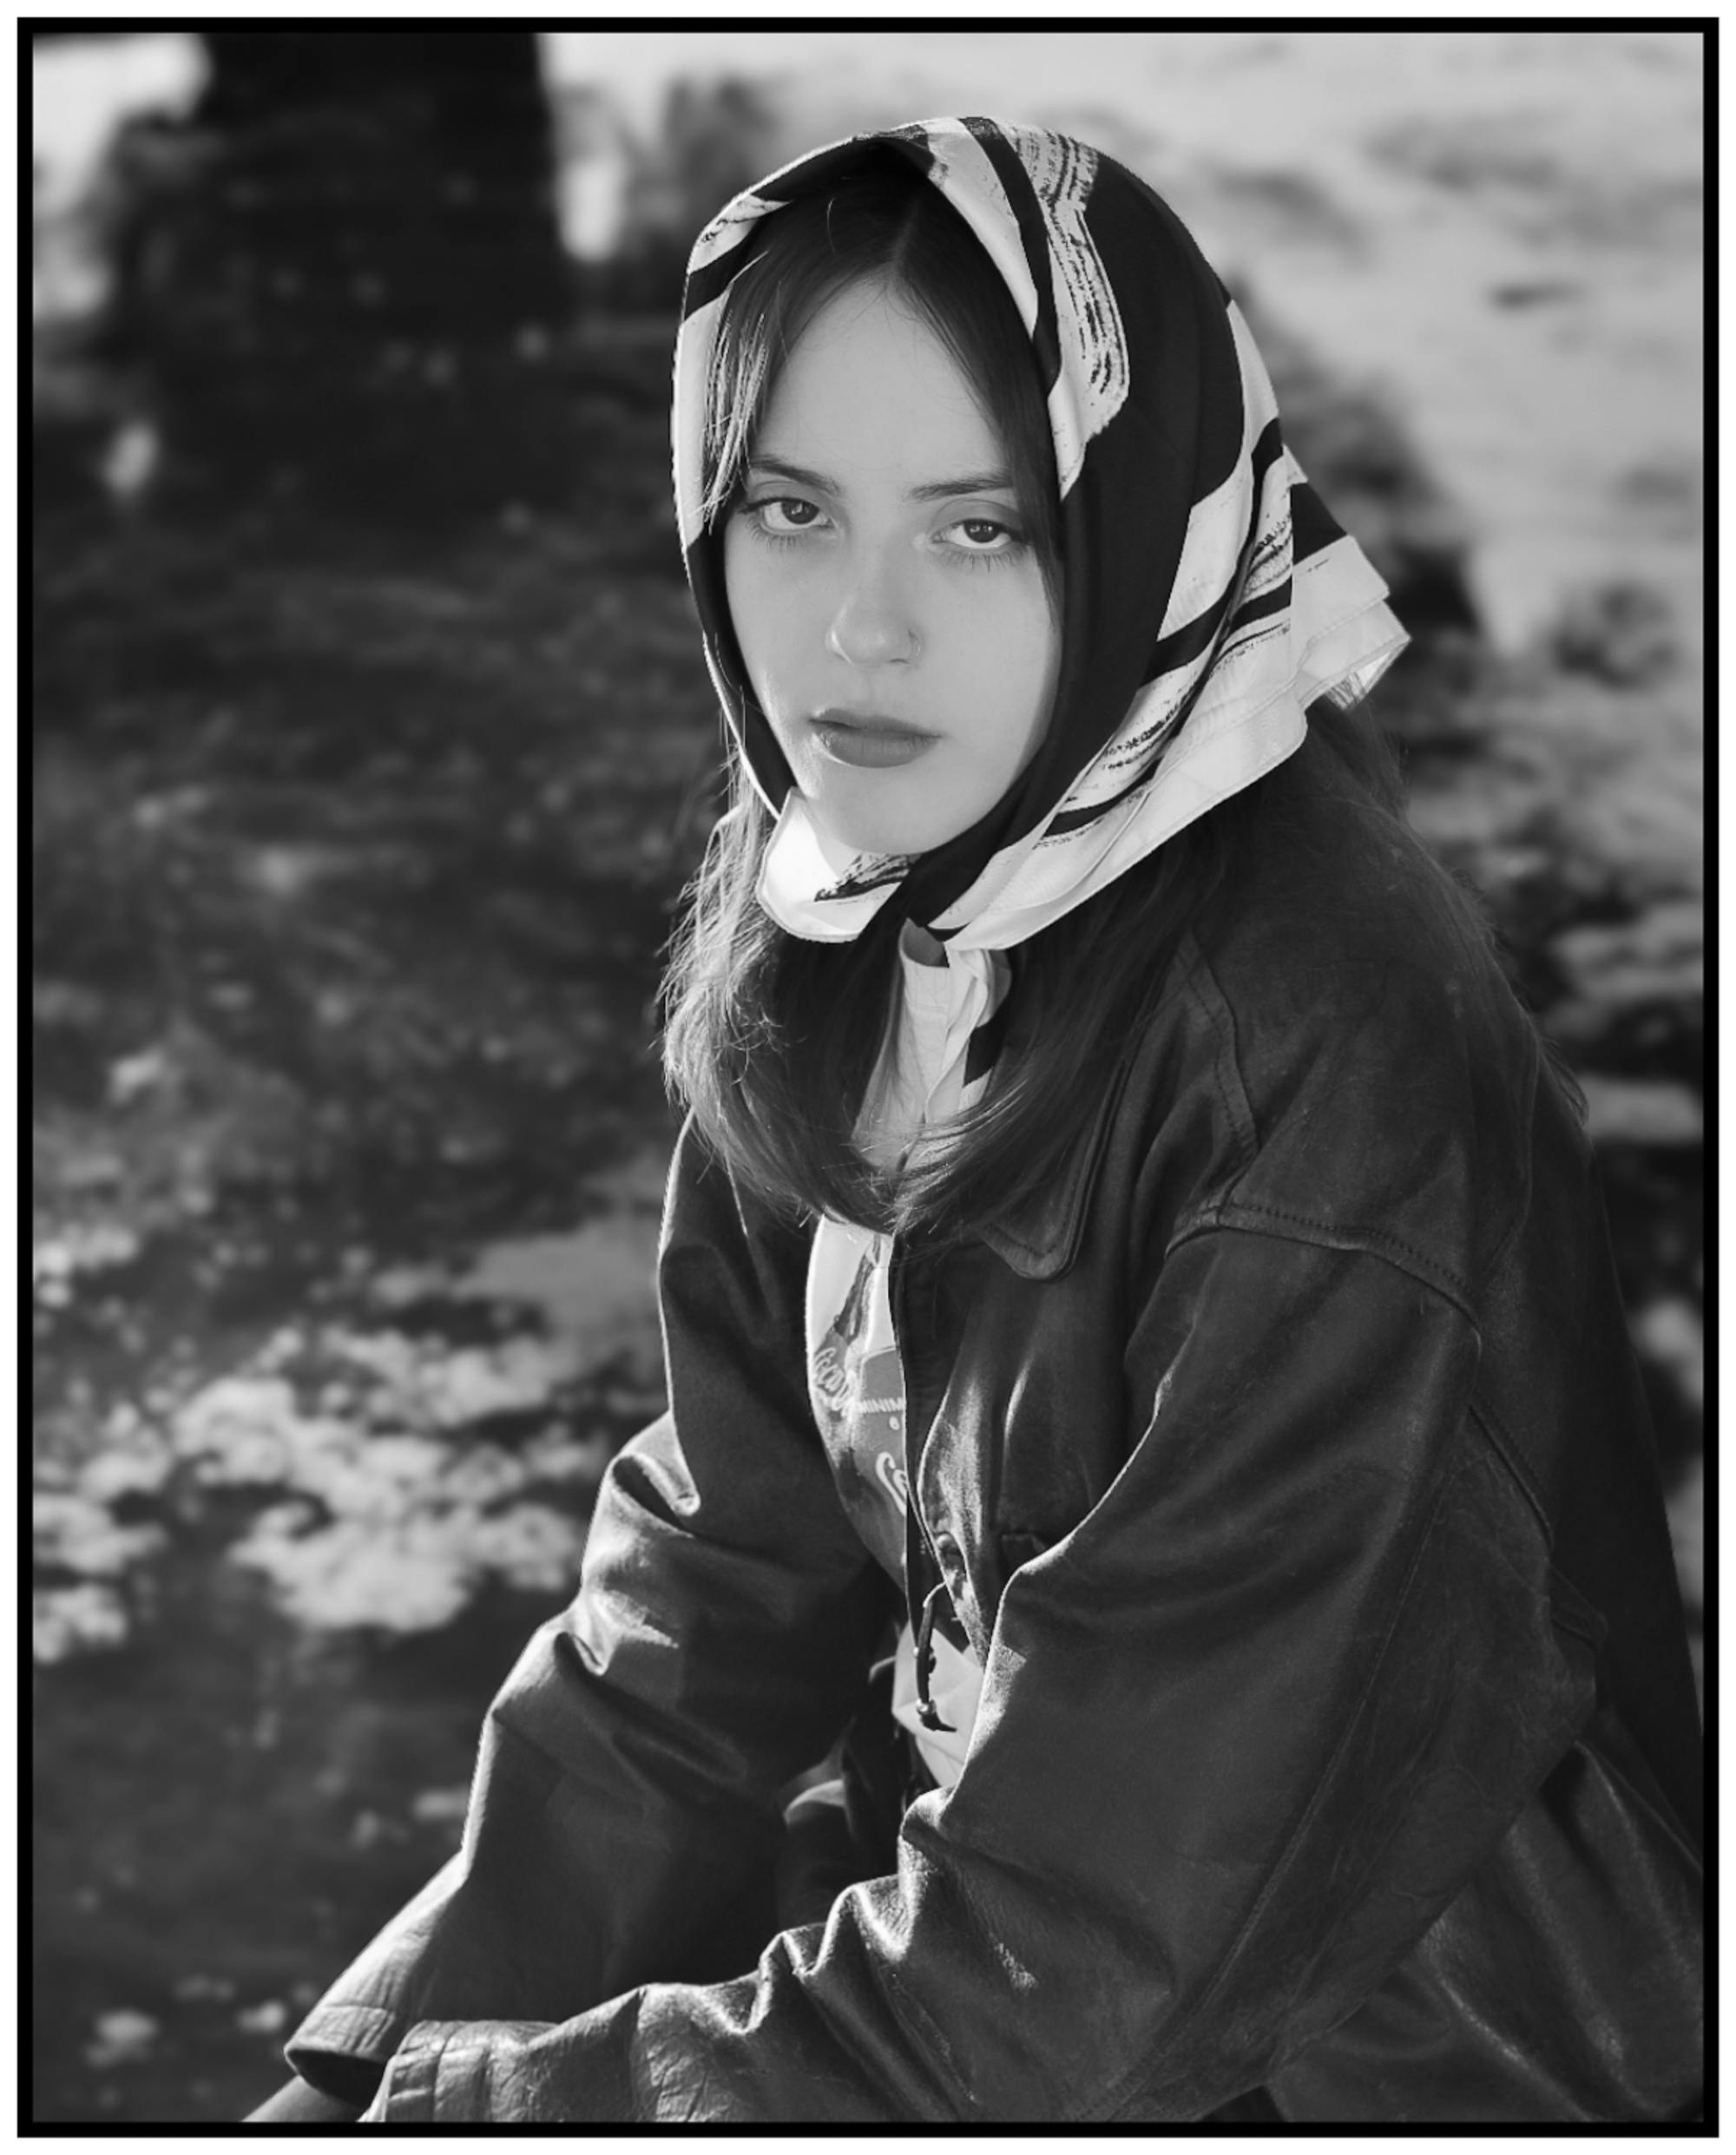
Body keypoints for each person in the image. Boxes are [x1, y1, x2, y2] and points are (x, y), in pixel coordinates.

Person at [247, 118, 1701, 2125]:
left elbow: (1080, 1970)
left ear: (1127, 523)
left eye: (978, 526)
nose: (858, 632)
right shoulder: (865, 885)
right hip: (1006, 1926)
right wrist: (370, 2066)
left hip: (1389, 2045)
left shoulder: (1319, 1050)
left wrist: (488, 2115)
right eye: (789, 510)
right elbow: (708, 1604)